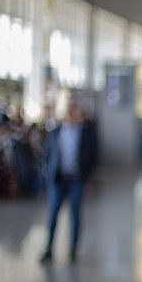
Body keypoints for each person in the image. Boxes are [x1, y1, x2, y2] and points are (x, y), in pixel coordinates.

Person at [40, 102, 98, 263]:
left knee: (75, 213)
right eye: (68, 112)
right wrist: (47, 173)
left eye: (74, 112)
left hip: (76, 179)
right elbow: (48, 154)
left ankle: (73, 249)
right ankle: (49, 247)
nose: (71, 115)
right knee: (53, 213)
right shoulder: (56, 131)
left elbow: (93, 157)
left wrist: (88, 178)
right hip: (58, 179)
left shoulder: (86, 133)